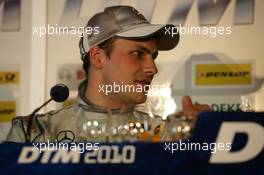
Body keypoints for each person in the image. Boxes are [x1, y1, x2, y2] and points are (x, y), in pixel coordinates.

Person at [6, 6, 210, 143]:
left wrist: (205, 133)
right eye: (138, 53)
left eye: (153, 56)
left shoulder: (166, 135)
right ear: (98, 57)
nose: (153, 69)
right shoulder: (33, 133)